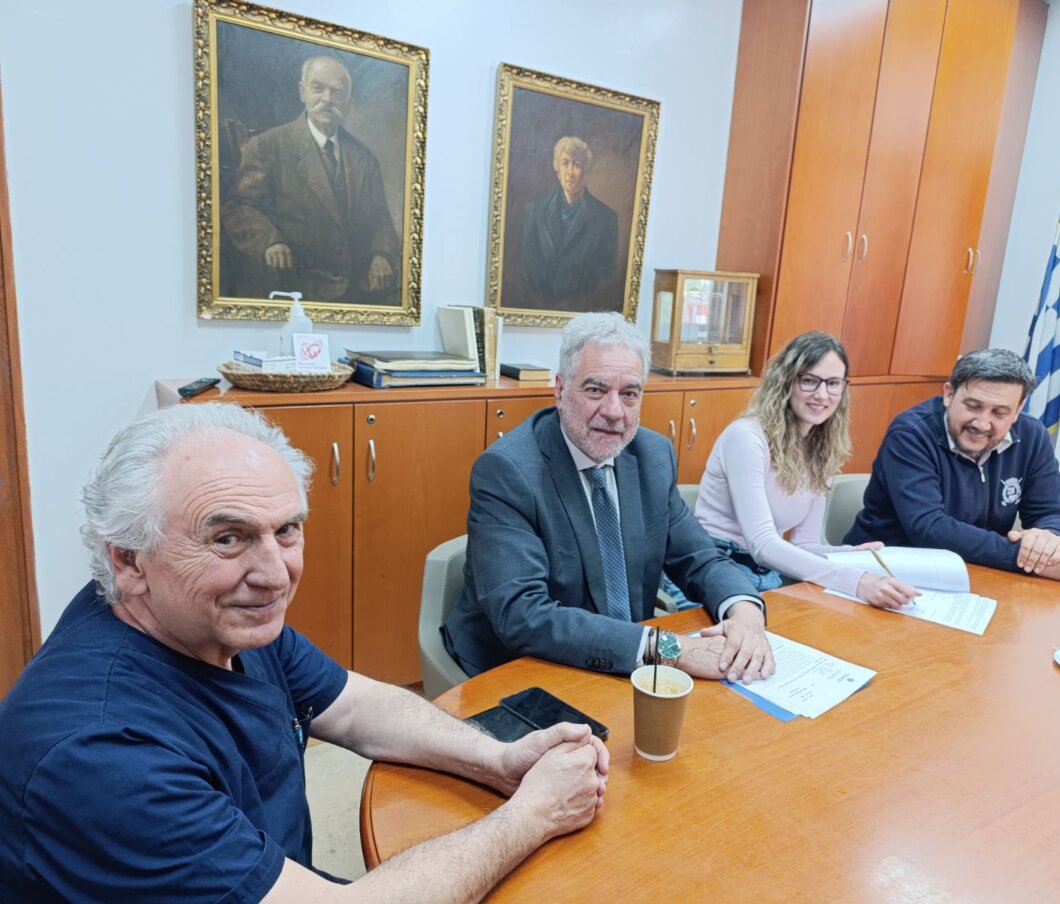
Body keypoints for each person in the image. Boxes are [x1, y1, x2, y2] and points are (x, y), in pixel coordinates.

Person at [0, 404, 607, 901]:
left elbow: (354, 707)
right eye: (228, 538)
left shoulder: (213, 621)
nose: (275, 575)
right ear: (128, 560)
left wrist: (497, 760)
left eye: (286, 530)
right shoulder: (100, 754)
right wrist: (533, 814)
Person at [442, 312, 775, 684]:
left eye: (629, 394)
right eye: (596, 390)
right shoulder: (509, 471)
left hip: (621, 658)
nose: (615, 411)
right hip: (519, 666)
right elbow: (524, 616)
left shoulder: (652, 457)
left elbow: (700, 559)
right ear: (560, 389)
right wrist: (672, 651)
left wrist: (746, 617)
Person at [695, 332, 918, 609]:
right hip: (715, 570)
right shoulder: (746, 437)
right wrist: (858, 581)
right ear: (786, 381)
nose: (822, 395)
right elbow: (762, 544)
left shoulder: (818, 448)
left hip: (767, 575)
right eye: (810, 381)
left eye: (833, 384)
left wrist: (850, 554)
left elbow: (804, 544)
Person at [845, 348, 1060, 583]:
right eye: (973, 406)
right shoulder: (911, 433)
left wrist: (1049, 541)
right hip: (887, 572)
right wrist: (1031, 561)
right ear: (949, 394)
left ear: (1018, 410)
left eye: (999, 413)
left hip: (978, 573)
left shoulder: (1031, 435)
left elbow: (1059, 514)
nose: (982, 423)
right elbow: (929, 528)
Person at [222, 55, 402, 304]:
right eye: (318, 88)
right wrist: (270, 241)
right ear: (302, 92)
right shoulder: (267, 146)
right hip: (294, 285)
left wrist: (381, 254)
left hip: (356, 289)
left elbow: (380, 220)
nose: (327, 99)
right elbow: (238, 206)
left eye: (337, 93)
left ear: (348, 103)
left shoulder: (364, 158)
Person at [521, 136, 619, 305]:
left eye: (577, 165)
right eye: (565, 163)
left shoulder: (606, 218)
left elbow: (604, 273)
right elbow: (529, 267)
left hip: (583, 306)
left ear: (585, 171)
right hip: (540, 304)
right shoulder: (534, 211)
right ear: (557, 169)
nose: (570, 172)